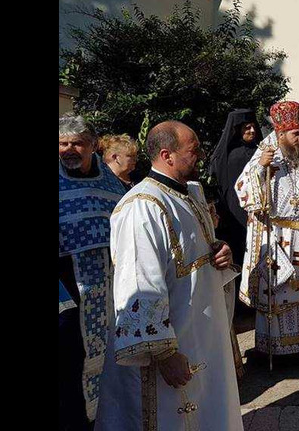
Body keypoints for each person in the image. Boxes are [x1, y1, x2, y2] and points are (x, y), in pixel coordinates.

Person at [95, 121, 242, 431]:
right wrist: (164, 353)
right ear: (167, 155)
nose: (201, 155)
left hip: (202, 334)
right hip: (170, 346)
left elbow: (197, 254)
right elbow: (138, 283)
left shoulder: (190, 193)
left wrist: (221, 252)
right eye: (194, 150)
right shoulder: (142, 207)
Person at [236, 102, 299, 356]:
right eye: (295, 133)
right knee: (280, 291)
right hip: (278, 238)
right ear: (280, 134)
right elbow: (243, 191)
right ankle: (279, 348)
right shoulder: (264, 158)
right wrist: (261, 168)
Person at [59, 115, 125, 429]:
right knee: (69, 367)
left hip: (109, 287)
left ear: (92, 147)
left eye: (77, 143)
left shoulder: (109, 180)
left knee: (108, 362)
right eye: (63, 143)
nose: (69, 150)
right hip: (66, 290)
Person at [208, 109, 264, 272]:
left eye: (253, 127)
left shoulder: (257, 151)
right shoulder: (233, 155)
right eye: (247, 127)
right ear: (238, 130)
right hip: (235, 215)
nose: (252, 131)